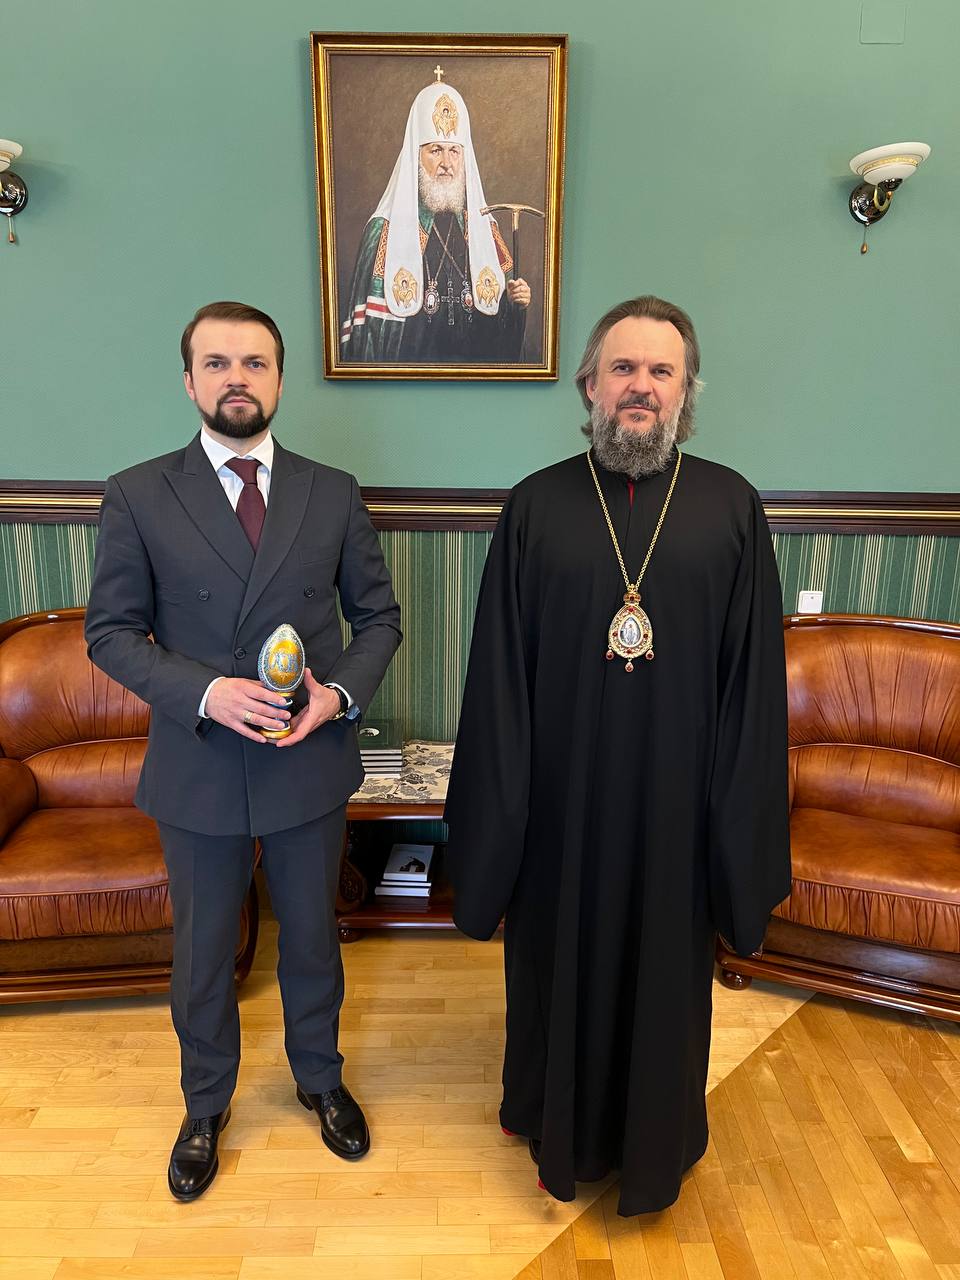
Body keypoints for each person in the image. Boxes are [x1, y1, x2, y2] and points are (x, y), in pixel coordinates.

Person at [444, 295, 791, 1216]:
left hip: (678, 815)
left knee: (665, 984)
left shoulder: (731, 506)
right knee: (552, 973)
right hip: (560, 815)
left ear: (686, 391)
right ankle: (546, 1117)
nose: (641, 386)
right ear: (589, 385)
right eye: (623, 369)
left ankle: (656, 1142)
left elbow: (752, 689)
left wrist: (733, 828)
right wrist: (503, 825)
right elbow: (499, 683)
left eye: (661, 371)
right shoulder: (536, 505)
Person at [85, 300, 401, 1201]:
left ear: (279, 379)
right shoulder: (138, 492)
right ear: (189, 381)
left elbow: (378, 618)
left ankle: (320, 1079)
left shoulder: (331, 490)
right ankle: (204, 1107)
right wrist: (208, 692)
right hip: (200, 761)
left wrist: (337, 696)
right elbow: (111, 633)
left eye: (254, 363)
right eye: (217, 363)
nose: (236, 379)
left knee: (313, 938)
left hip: (307, 755)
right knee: (203, 953)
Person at [339, 76, 531, 364]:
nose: (446, 163)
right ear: (416, 157)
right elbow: (367, 339)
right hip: (405, 382)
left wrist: (516, 305)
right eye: (435, 150)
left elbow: (502, 341)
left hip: (473, 382)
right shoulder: (383, 231)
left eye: (454, 151)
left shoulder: (484, 231)